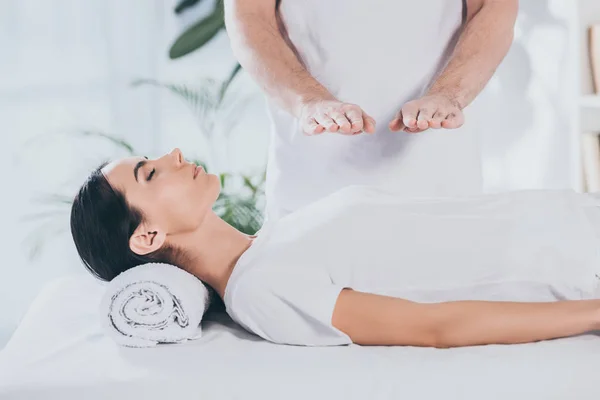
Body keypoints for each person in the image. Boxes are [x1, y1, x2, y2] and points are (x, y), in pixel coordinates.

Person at [70, 149, 600, 349]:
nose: (173, 153)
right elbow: (434, 327)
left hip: (572, 216)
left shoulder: (273, 238)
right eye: (150, 172)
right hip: (577, 264)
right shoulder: (260, 289)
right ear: (148, 238)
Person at [224, 0, 519, 220]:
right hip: (310, 193)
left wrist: (448, 94)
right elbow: (249, 18)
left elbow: (493, 8)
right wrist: (309, 100)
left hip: (443, 191)